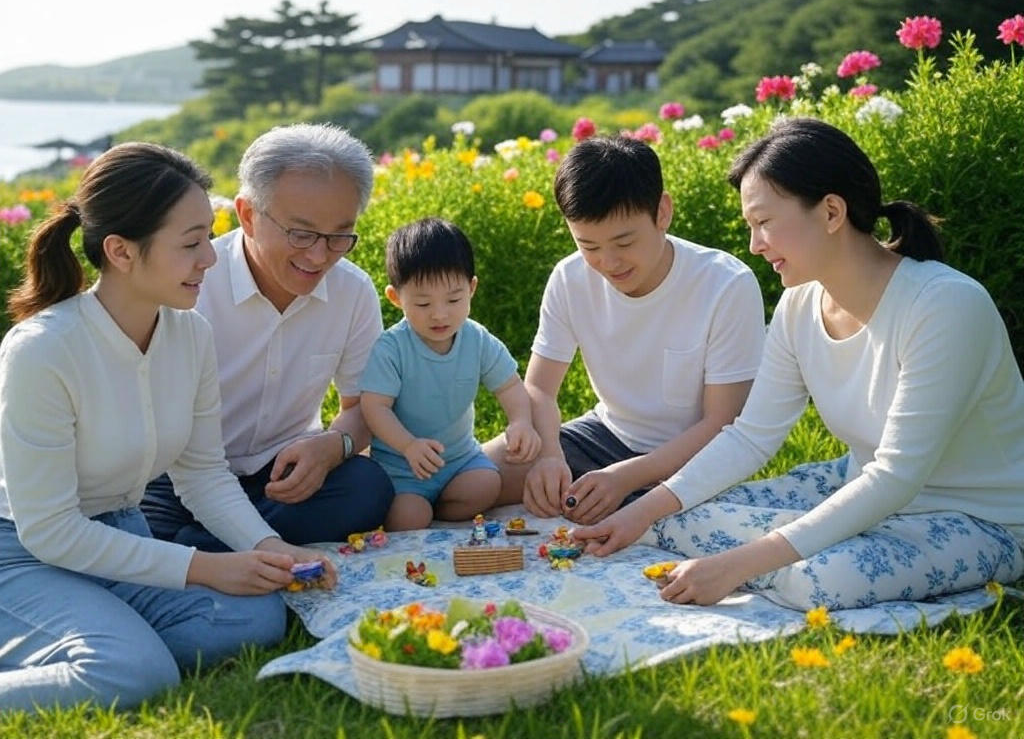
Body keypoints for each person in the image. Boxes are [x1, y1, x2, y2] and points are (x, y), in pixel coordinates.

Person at [573, 117, 1024, 610]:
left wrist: (736, 565)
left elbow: (897, 475)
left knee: (820, 580)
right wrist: (639, 514)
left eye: (763, 223)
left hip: (981, 519)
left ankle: (780, 558)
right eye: (751, 226)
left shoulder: (946, 306)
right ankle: (780, 550)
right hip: (857, 485)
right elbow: (751, 436)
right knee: (668, 519)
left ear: (831, 211)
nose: (754, 245)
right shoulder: (800, 304)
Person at [0, 143, 336, 712]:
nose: (210, 257)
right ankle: (103, 645)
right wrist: (206, 568)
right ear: (121, 251)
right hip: (22, 551)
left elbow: (203, 474)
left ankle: (88, 636)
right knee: (135, 672)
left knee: (255, 616)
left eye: (209, 235)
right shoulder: (41, 351)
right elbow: (51, 530)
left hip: (123, 532)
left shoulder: (190, 333)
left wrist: (269, 550)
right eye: (190, 243)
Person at [485, 135, 766, 526]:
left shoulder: (725, 284)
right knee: (468, 483)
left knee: (685, 528)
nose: (608, 262)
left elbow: (722, 425)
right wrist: (549, 454)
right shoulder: (570, 278)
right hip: (602, 437)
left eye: (624, 241)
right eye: (588, 245)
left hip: (696, 460)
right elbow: (540, 389)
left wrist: (626, 478)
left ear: (662, 211)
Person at [142, 124, 393, 549]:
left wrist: (334, 445)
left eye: (338, 236)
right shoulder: (189, 285)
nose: (318, 256)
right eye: (301, 233)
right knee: (139, 517)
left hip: (280, 475)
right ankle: (225, 546)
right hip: (177, 476)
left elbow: (364, 408)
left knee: (368, 486)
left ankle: (204, 550)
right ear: (248, 215)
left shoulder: (352, 292)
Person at [360, 218, 541, 531]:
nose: (440, 314)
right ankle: (422, 506)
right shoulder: (392, 348)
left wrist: (521, 421)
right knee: (409, 519)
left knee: (486, 484)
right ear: (395, 297)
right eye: (423, 303)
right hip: (403, 468)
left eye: (454, 299)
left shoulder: (477, 339)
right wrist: (408, 446)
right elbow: (374, 407)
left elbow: (510, 386)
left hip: (460, 460)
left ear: (471, 288)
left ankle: (443, 506)